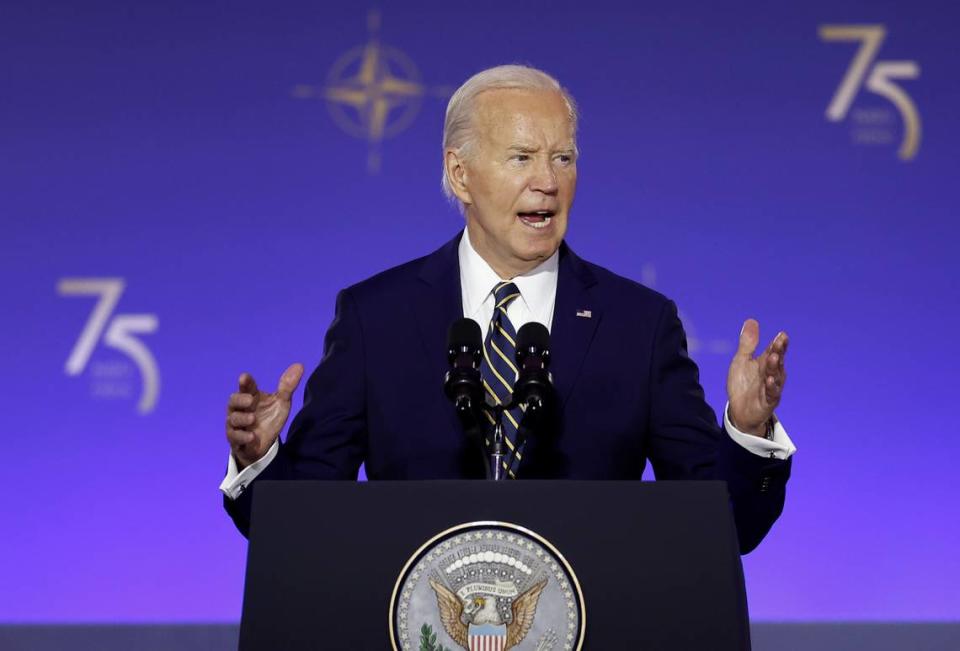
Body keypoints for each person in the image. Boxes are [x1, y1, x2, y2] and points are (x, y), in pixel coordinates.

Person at [221, 65, 795, 552]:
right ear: (459, 173)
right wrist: (261, 459)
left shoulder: (638, 325)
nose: (547, 181)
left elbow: (727, 527)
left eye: (563, 158)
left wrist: (746, 431)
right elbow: (303, 529)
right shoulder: (377, 318)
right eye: (522, 157)